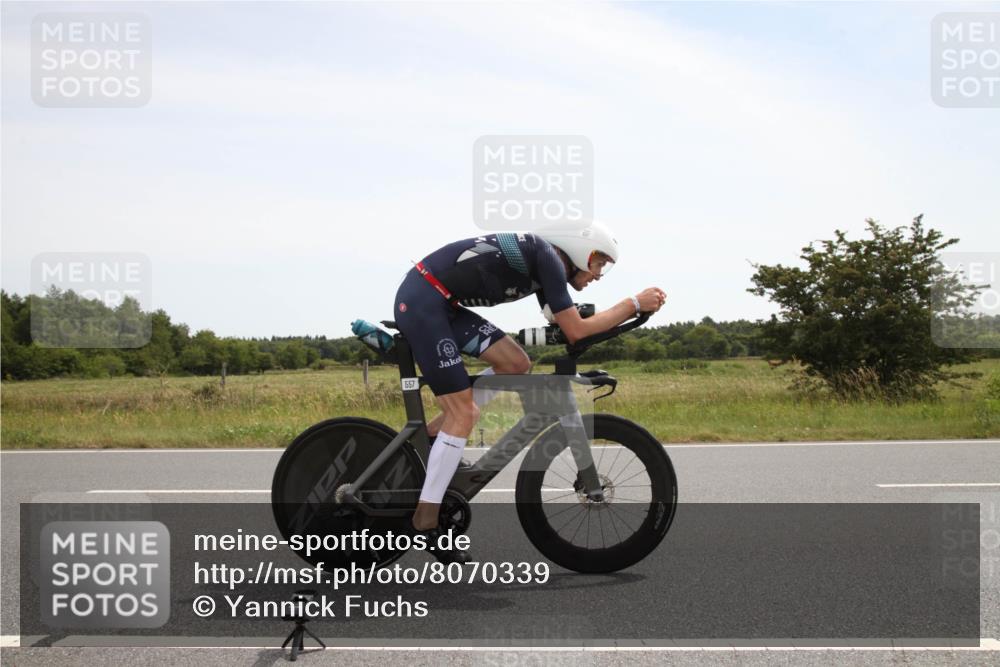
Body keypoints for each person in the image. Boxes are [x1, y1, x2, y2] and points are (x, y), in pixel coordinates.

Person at [392, 222, 666, 562]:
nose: (599, 274)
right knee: (464, 413)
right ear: (581, 250)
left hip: (441, 304)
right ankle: (425, 520)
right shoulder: (549, 257)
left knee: (516, 364)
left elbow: (564, 326)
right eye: (599, 263)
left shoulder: (545, 265)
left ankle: (434, 436)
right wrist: (632, 305)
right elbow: (576, 331)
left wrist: (616, 316)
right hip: (425, 303)